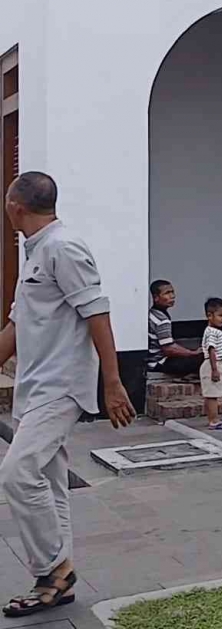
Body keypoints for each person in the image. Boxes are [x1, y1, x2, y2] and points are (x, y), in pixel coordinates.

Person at [0, 172, 135, 618]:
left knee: (18, 473)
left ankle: (52, 572)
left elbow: (98, 313)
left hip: (61, 386)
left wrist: (113, 383)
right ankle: (59, 579)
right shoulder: (34, 251)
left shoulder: (64, 247)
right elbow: (18, 326)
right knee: (49, 480)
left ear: (16, 206)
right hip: (33, 385)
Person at [148, 280, 204, 376]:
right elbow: (169, 348)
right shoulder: (161, 319)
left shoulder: (152, 313)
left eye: (172, 292)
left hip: (152, 361)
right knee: (203, 358)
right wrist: (192, 353)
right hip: (159, 363)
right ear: (156, 298)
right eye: (167, 293)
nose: (172, 296)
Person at [200, 297, 222, 430]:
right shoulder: (213, 332)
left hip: (216, 364)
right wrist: (215, 369)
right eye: (220, 315)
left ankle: (213, 419)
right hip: (213, 364)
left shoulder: (214, 331)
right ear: (209, 315)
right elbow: (212, 350)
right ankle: (214, 420)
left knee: (212, 394)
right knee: (212, 395)